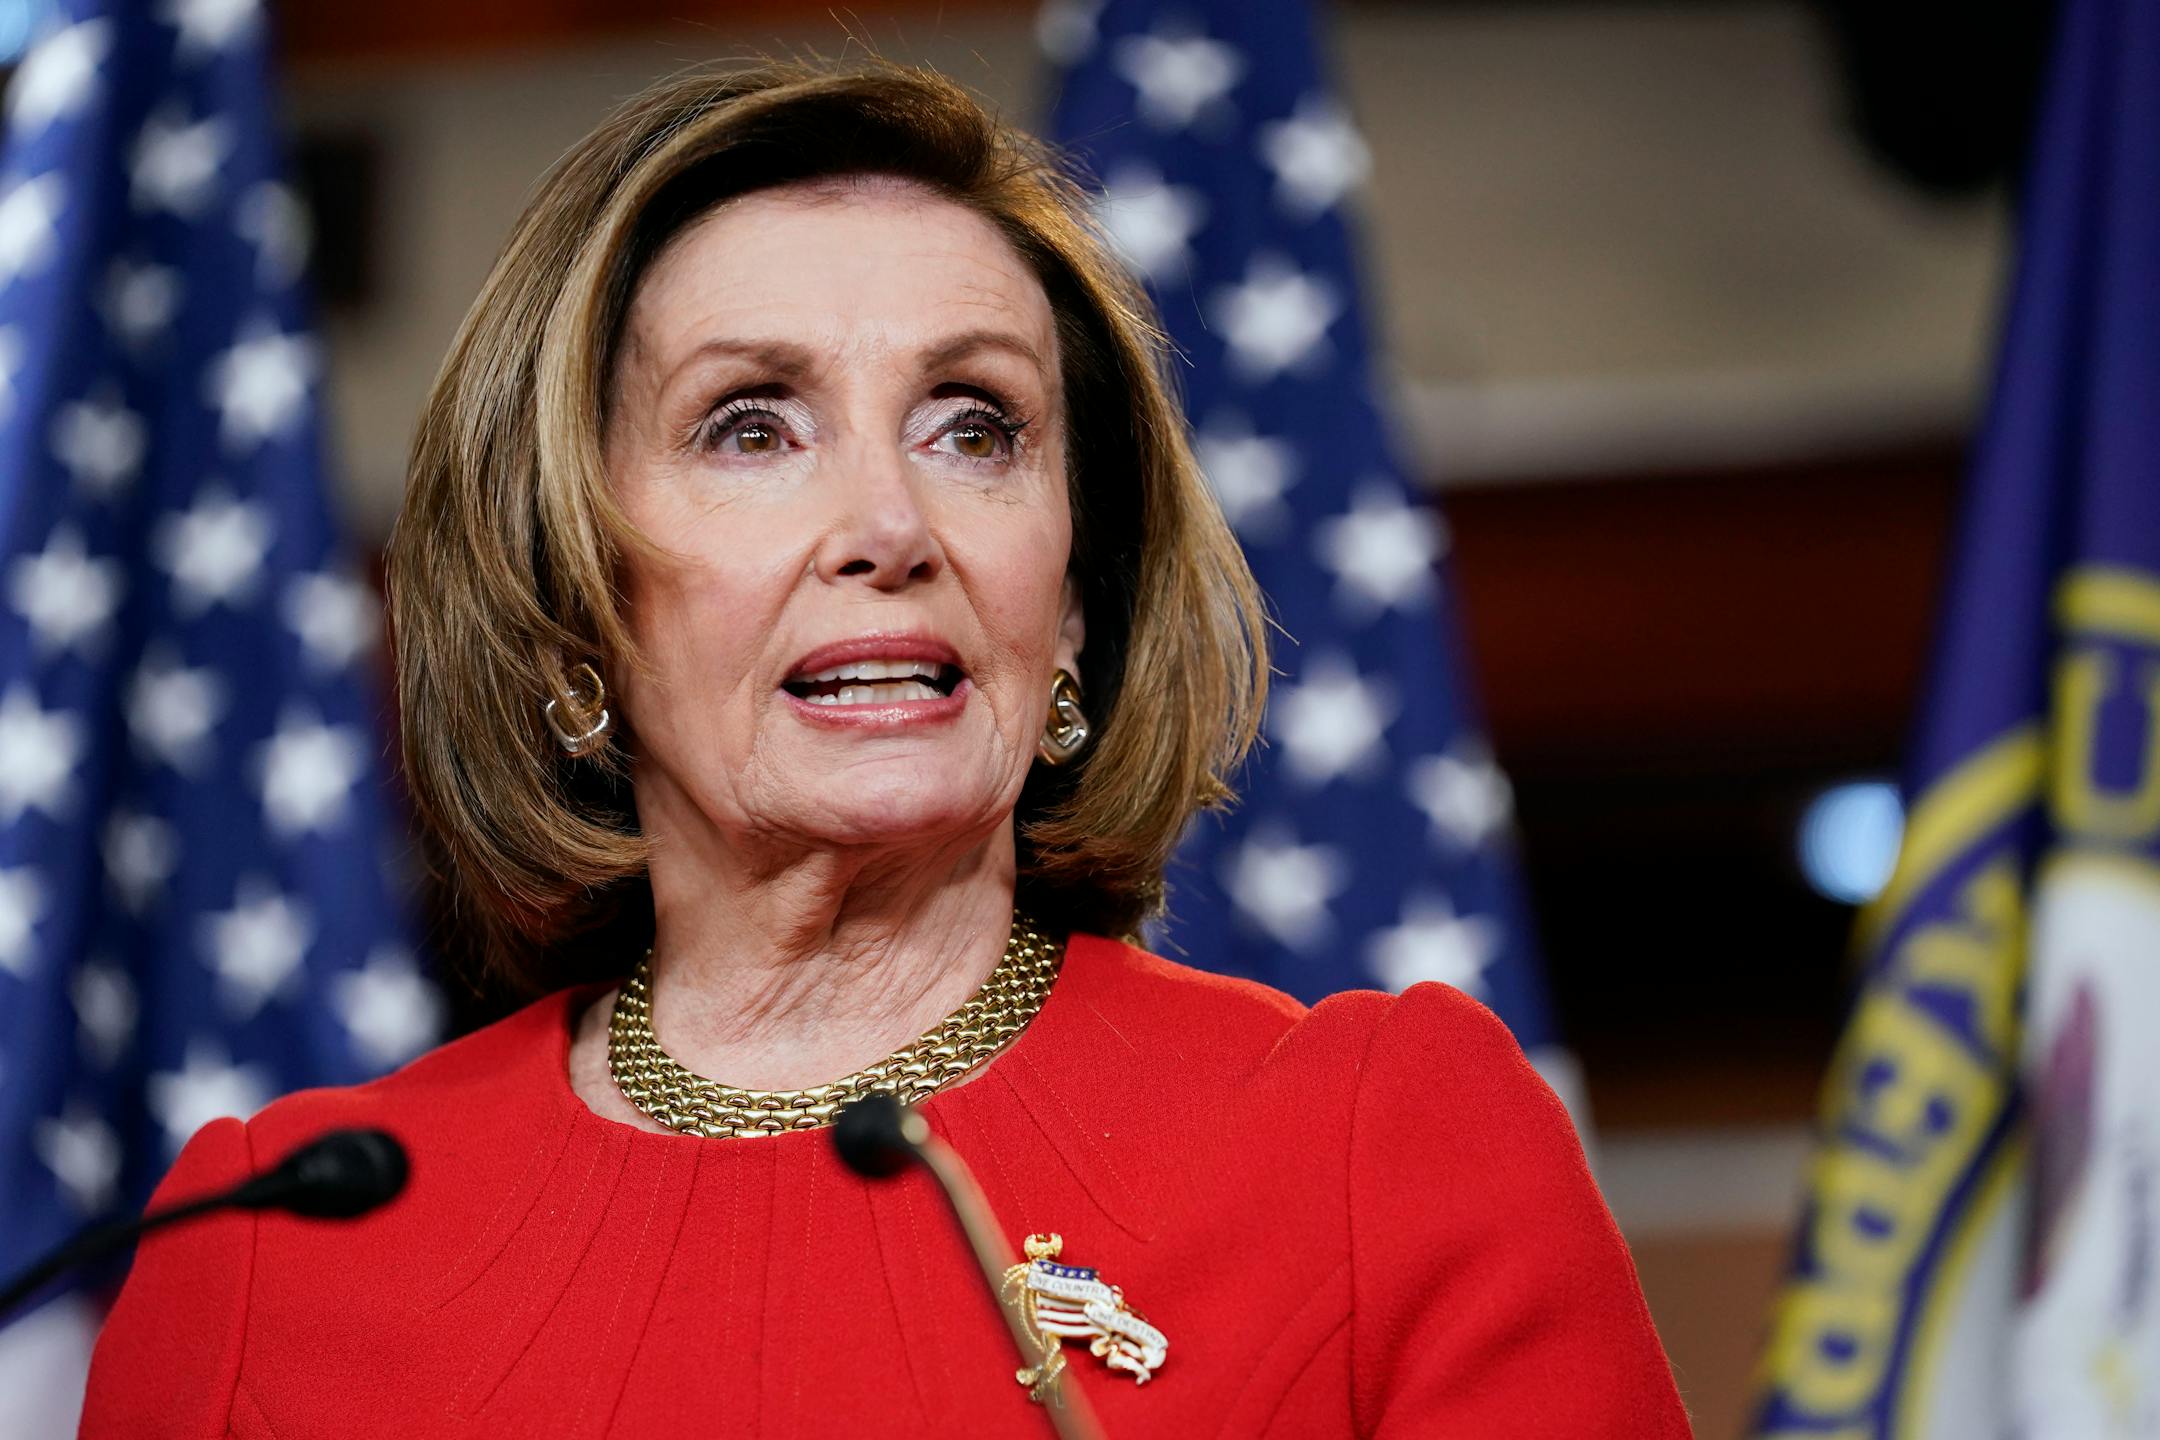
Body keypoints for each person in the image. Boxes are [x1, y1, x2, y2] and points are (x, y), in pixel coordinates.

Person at [79, 59, 1692, 1438]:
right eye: (752, 425)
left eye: (974, 426)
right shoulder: (273, 1253)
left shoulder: (1376, 1150)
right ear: (567, 599)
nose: (890, 524)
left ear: (1069, 607)